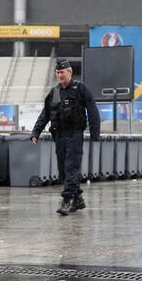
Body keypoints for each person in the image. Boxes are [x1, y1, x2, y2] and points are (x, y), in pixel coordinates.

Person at [31, 59, 101, 216]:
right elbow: (45, 114)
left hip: (75, 134)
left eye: (62, 72)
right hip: (59, 135)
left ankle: (66, 200)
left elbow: (93, 110)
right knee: (63, 170)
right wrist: (36, 132)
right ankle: (78, 199)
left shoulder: (80, 88)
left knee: (71, 167)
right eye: (57, 73)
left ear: (70, 72)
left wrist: (95, 133)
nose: (59, 75)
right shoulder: (54, 92)